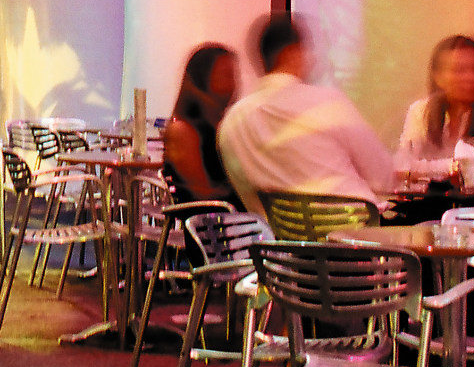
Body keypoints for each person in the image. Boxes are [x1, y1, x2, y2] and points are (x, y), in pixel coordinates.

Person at [216, 11, 396, 218]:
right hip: (356, 240)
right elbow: (382, 177)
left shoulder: (231, 124)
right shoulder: (327, 103)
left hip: (279, 245)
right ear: (291, 53)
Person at [393, 33, 474, 188]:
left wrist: (426, 170)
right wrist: (451, 167)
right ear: (438, 76)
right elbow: (401, 166)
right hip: (425, 202)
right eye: (459, 70)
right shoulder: (420, 110)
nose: (471, 77)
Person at [162, 41, 241, 207]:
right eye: (226, 75)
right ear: (202, 79)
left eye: (234, 76)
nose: (234, 83)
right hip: (212, 224)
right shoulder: (183, 131)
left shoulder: (222, 124)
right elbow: (202, 196)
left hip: (233, 220)